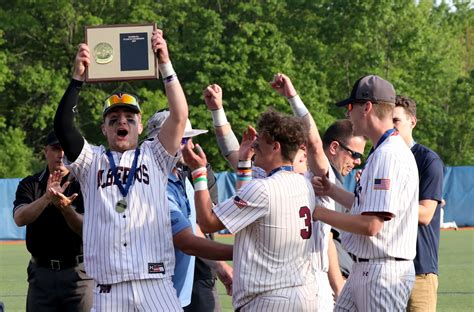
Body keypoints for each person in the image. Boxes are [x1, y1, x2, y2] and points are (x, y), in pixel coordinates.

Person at [54, 29, 187, 311]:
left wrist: (165, 63)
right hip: (108, 289)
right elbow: (64, 126)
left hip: (155, 284)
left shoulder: (156, 154)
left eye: (129, 117)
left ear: (139, 126)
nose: (120, 122)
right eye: (113, 119)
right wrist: (77, 77)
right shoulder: (92, 162)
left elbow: (179, 115)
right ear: (104, 128)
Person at [183, 109, 318, 311]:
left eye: (260, 140)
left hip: (269, 299)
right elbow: (248, 203)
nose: (255, 144)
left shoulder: (264, 188)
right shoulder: (303, 183)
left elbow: (207, 222)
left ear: (275, 146)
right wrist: (245, 162)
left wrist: (199, 173)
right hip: (301, 293)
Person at [312, 75, 419, 311]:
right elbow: (366, 206)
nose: (348, 113)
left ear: (367, 108)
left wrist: (319, 213)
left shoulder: (388, 154)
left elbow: (371, 225)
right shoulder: (381, 150)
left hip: (383, 273)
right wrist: (333, 191)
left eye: (351, 107)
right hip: (367, 268)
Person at [146, 110, 233, 310]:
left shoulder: (179, 176)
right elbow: (187, 241)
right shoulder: (151, 180)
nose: (191, 146)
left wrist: (219, 265)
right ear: (162, 141)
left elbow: (193, 225)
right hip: (154, 295)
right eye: (184, 140)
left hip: (178, 293)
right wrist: (240, 251)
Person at [13, 130, 93, 311]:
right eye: (56, 148)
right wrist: (47, 198)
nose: (62, 153)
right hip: (41, 275)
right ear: (45, 151)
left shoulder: (85, 183)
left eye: (66, 148)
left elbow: (87, 229)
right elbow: (19, 218)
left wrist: (65, 208)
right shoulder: (31, 184)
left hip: (79, 274)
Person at [393, 95, 445, 312]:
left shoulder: (427, 160)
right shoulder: (379, 157)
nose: (391, 126)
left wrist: (385, 202)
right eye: (387, 120)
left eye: (396, 120)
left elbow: (424, 215)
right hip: (386, 270)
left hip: (419, 270)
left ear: (412, 122)